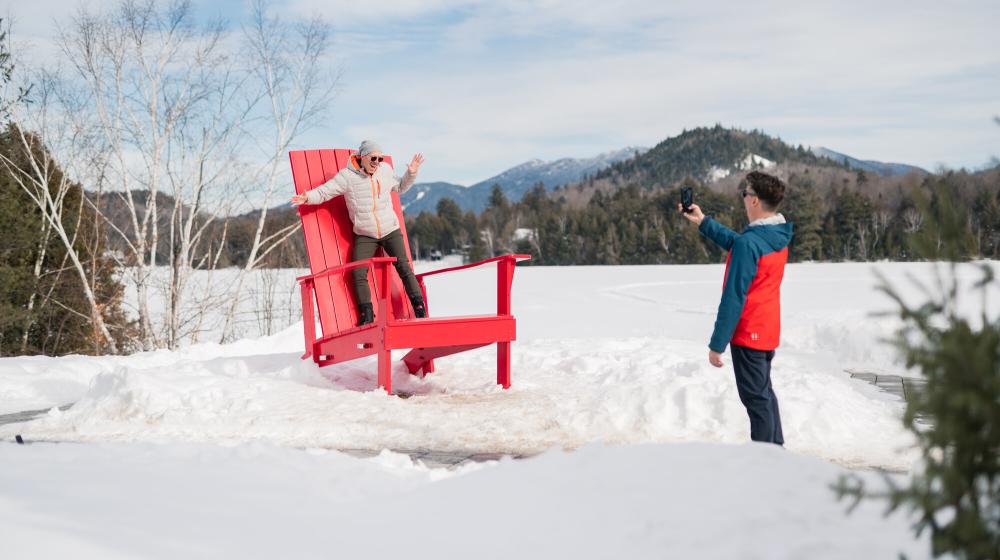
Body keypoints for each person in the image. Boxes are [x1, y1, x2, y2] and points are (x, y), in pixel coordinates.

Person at [679, 171, 793, 445]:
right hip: (766, 330)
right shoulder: (775, 235)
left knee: (756, 400)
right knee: (764, 395)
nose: (744, 197)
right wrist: (703, 222)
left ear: (755, 201)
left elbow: (733, 297)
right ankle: (775, 451)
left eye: (746, 192)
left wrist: (717, 344)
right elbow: (740, 244)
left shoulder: (751, 243)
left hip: (749, 333)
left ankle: (766, 461)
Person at [291, 140, 426, 326]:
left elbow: (401, 187)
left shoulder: (385, 170)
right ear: (362, 157)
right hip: (365, 234)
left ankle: (419, 306)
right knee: (357, 271)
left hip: (390, 229)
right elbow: (325, 192)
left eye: (380, 158)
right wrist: (307, 198)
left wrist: (411, 173)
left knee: (404, 266)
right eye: (373, 158)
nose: (377, 162)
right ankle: (367, 313)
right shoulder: (347, 177)